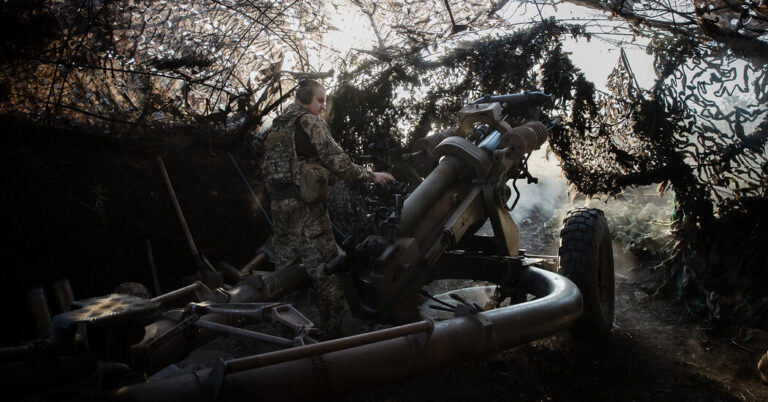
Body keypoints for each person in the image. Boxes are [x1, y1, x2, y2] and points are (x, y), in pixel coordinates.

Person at [262, 79, 394, 338]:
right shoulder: (309, 122)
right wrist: (371, 176)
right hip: (306, 210)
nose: (323, 106)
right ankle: (331, 338)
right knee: (327, 271)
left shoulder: (277, 125)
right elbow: (338, 162)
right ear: (303, 97)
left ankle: (284, 333)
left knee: (286, 271)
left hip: (280, 207)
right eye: (319, 100)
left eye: (324, 101)